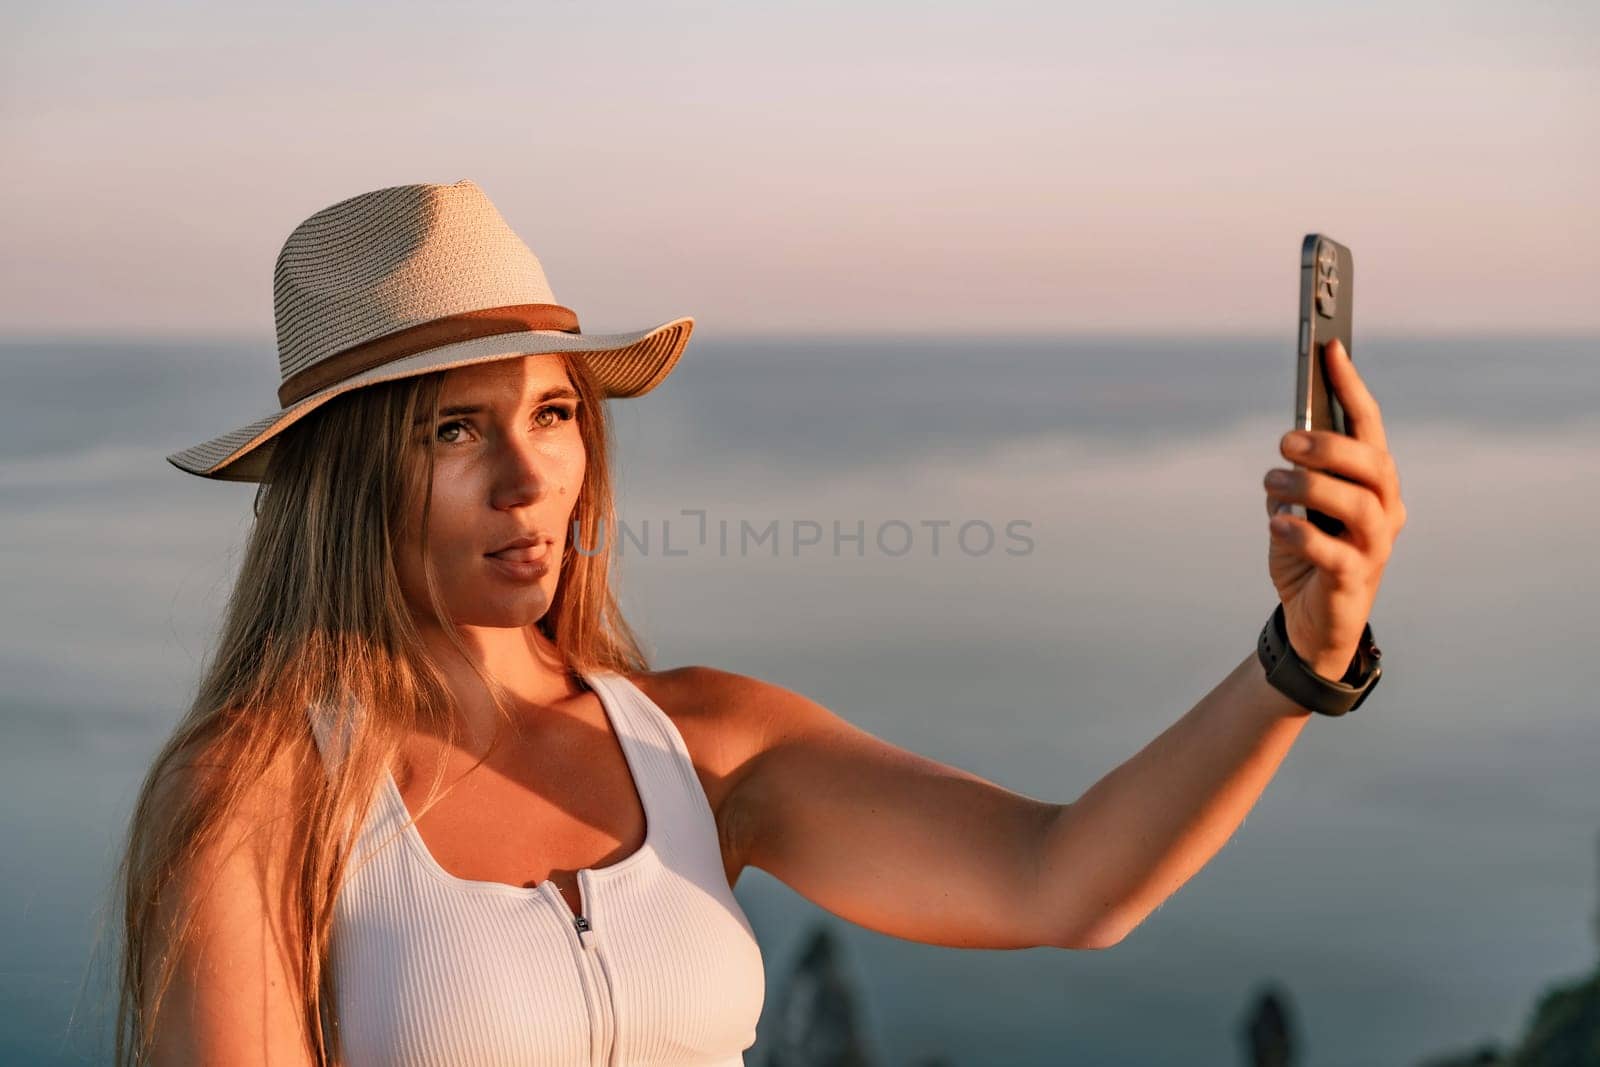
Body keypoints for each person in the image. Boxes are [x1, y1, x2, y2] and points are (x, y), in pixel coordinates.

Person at [115, 180, 1407, 1066]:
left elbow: (1065, 879)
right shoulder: (257, 795)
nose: (528, 480)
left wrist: (1303, 656)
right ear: (346, 478)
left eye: (553, 414)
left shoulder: (705, 741)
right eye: (453, 428)